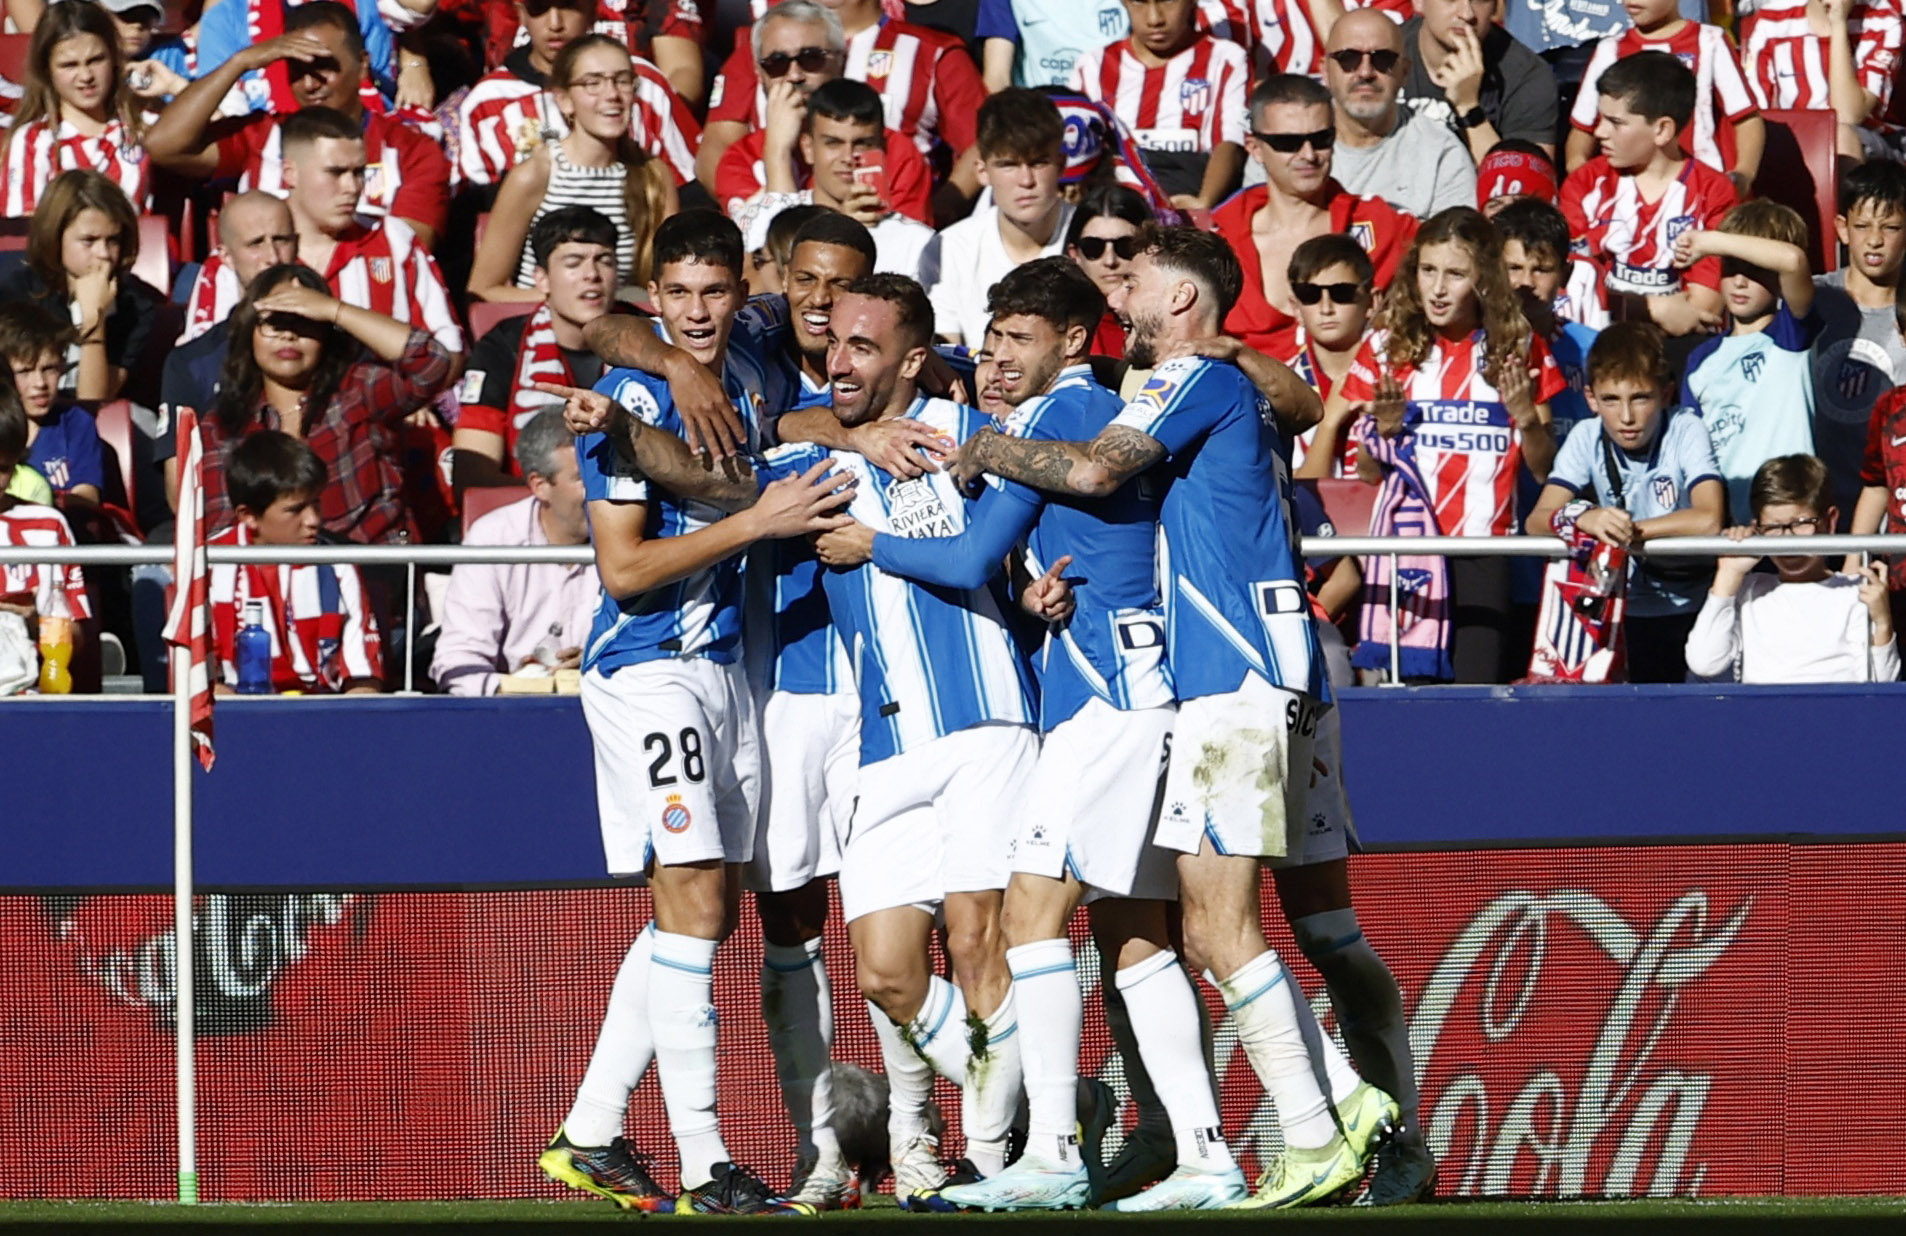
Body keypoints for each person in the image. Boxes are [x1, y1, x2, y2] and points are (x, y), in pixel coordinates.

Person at [559, 271, 1047, 1210]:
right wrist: (646, 403)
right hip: (774, 692)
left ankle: (945, 1142)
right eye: (814, 296)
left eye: (855, 325)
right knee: (768, 922)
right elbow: (611, 332)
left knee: (961, 933)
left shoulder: (955, 421)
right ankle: (824, 1151)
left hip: (913, 712)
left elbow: (1005, 514)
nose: (830, 329)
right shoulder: (769, 403)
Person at [948, 227, 1399, 1209]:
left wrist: (984, 448)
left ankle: (1323, 1124)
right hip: (1225, 681)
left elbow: (1093, 474)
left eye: (1139, 275)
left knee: (1227, 926)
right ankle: (1327, 1115)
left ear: (1184, 300)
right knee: (1204, 928)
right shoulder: (1195, 384)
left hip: (1239, 678)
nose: (1122, 287)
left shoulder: (1188, 375)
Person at [811, 258, 1237, 1212]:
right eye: (992, 340)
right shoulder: (1069, 413)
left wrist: (875, 542)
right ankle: (1201, 1151)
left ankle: (1048, 1147)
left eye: (1018, 341)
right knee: (1138, 940)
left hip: (1104, 701)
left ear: (1075, 341)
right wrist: (1037, 592)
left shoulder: (1045, 420)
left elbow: (968, 551)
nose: (998, 359)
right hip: (1111, 689)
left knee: (1041, 927)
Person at [536, 211, 848, 1216]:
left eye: (716, 292)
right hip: (651, 670)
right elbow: (624, 570)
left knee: (694, 914)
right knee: (698, 901)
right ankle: (708, 1163)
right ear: (656, 297)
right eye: (681, 296)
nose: (703, 313)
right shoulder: (628, 397)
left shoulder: (755, 345)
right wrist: (754, 516)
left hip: (725, 674)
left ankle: (589, 1130)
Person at [1337, 206, 1564, 684]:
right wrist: (1385, 430)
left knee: (1477, 701)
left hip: (1486, 552)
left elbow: (1545, 472)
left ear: (1483, 279)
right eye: (1428, 270)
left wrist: (1526, 419)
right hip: (1410, 551)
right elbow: (1366, 473)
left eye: (1455, 273)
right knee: (1415, 702)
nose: (1438, 288)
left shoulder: (1518, 345)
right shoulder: (1385, 346)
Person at [144, 1, 451, 245]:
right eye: (297, 69)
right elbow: (163, 146)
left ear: (363, 66)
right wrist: (241, 62)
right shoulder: (262, 135)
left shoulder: (413, 151)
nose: (309, 83)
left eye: (324, 67)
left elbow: (408, 255)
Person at [195, 263, 454, 542]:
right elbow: (222, 526)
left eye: (305, 322)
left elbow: (431, 362)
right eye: (275, 323)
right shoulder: (222, 423)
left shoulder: (358, 389)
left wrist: (335, 310)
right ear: (249, 333)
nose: (289, 335)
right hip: (275, 575)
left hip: (374, 567)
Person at [1528, 321, 1726, 682]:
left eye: (1640, 398)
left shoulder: (1685, 426)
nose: (1627, 417)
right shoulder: (1585, 435)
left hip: (1690, 605)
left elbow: (1709, 518)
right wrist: (1583, 518)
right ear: (1590, 399)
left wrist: (1628, 532)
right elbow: (1536, 520)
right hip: (1615, 611)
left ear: (1665, 395)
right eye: (1611, 400)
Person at [698, 0, 985, 207]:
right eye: (778, 64)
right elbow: (715, 150)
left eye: (812, 58)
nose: (794, 73)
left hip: (892, 214)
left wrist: (939, 212)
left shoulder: (930, 51)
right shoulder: (767, 50)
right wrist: (757, 215)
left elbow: (982, 142)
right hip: (775, 224)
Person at [1210, 73, 1417, 361]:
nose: (1308, 155)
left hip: (1356, 398)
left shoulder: (1381, 225)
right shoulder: (1217, 242)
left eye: (1321, 139)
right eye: (1288, 143)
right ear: (1255, 148)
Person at [467, 33, 677, 301]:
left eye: (622, 81)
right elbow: (483, 289)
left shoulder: (654, 174)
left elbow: (669, 281)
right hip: (545, 328)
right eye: (593, 83)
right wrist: (571, 301)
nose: (612, 94)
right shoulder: (537, 174)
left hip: (623, 329)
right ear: (565, 100)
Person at [1562, 51, 1734, 338]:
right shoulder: (1585, 184)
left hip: (1680, 347)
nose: (1599, 132)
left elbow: (1702, 310)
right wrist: (1654, 307)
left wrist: (1616, 300)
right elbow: (1570, 288)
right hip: (1600, 339)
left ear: (1662, 130)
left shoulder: (1713, 193)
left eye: (1615, 122)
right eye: (1600, 118)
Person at [1686, 453, 1899, 683]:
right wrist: (1728, 575)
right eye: (1773, 527)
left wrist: (1883, 622)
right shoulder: (1749, 590)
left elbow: (1883, 685)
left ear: (1830, 521)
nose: (1788, 540)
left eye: (1800, 524)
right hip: (1765, 715)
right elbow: (1704, 663)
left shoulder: (1854, 591)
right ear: (1757, 528)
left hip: (1837, 714)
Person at [431, 409, 596, 696]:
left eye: (603, 475)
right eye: (583, 478)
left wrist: (600, 663)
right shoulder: (493, 538)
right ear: (540, 486)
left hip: (608, 705)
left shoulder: (633, 534)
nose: (600, 489)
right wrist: (516, 690)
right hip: (508, 714)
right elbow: (458, 659)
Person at [456, 0, 699, 194]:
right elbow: (476, 217)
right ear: (521, 13)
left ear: (593, 10)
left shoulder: (645, 86)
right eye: (539, 8)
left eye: (568, 6)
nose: (555, 23)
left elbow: (689, 193)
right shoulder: (487, 102)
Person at [207, 430, 384, 694]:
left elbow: (364, 681)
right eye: (296, 509)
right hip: (235, 715)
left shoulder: (339, 563)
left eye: (316, 504)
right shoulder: (207, 564)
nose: (313, 520)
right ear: (248, 516)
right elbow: (199, 686)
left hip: (322, 715)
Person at [455, 207, 616, 492]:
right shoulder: (503, 346)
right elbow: (473, 473)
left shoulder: (651, 337)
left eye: (604, 261)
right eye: (573, 262)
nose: (591, 274)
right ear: (541, 279)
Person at [1676, 200, 1818, 524]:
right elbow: (1691, 448)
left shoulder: (1791, 334)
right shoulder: (1700, 359)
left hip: (1788, 526)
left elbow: (1793, 260)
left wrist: (1709, 241)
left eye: (1754, 270)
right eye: (1731, 267)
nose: (1740, 281)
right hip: (1727, 527)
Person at [725, 76, 937, 276]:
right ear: (808, 148)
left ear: (882, 149)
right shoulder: (763, 219)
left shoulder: (917, 244)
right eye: (833, 143)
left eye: (862, 144)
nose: (847, 157)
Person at [923, 87, 1075, 347]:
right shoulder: (948, 249)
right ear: (982, 171)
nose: (1026, 181)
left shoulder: (1095, 241)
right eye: (1008, 165)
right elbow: (946, 355)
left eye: (1038, 163)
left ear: (1061, 165)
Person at [1563, 0, 1762, 194]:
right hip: (1626, 195)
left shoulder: (1710, 41)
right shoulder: (1610, 49)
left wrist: (1743, 174)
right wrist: (1579, 170)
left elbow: (1746, 119)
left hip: (1701, 192)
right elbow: (1582, 129)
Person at [0, 168, 163, 405]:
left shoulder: (136, 306)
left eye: (113, 240)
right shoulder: (14, 293)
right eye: (89, 241)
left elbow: (93, 402)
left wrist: (93, 320)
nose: (104, 254)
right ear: (55, 238)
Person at [1066, 0, 1249, 210]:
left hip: (1188, 201)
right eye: (1139, 3)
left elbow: (1231, 143)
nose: (1155, 19)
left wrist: (1203, 203)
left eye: (1168, 1)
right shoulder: (1092, 66)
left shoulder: (1226, 59)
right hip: (1115, 211)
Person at [1813, 161, 1906, 520]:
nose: (1875, 239)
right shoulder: (1815, 297)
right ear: (1842, 228)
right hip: (1816, 506)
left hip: (1890, 509)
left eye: (1892, 227)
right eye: (1862, 226)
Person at [0, 1, 151, 217]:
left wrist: (174, 85)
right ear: (46, 70)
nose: (86, 76)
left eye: (96, 60)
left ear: (115, 59)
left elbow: (209, 137)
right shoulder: (32, 141)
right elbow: (22, 232)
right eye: (69, 65)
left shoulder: (142, 125)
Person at [1322, 8, 1475, 220]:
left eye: (1383, 59)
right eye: (1348, 58)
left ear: (1405, 72)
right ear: (1325, 72)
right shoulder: (1286, 144)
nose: (1365, 72)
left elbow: (1455, 247)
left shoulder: (1440, 153)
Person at [0, 386, 91, 675]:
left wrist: (37, 624)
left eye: (2, 467)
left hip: (31, 693)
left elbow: (75, 638)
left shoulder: (48, 526)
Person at [1741, 0, 1903, 162]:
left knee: (1840, 137)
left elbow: (1848, 115)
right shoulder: (1771, 20)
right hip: (1795, 135)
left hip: (1869, 142)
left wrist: (1838, 25)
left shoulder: (1882, 20)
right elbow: (1754, 112)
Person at [1397, 0, 1558, 164]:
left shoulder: (1528, 76)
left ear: (1496, 7)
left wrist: (1469, 108)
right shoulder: (1381, 57)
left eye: (1481, 1)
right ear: (1418, 2)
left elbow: (1526, 184)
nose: (1467, 14)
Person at [1287, 234, 1375, 480]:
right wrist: (1329, 423)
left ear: (1372, 301)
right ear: (1296, 307)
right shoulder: (1282, 387)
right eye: (1310, 294)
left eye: (1342, 293)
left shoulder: (1400, 375)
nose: (1326, 308)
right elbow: (1301, 493)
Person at [0, 303, 101, 515]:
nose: (40, 383)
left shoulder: (76, 423)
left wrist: (42, 500)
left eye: (49, 369)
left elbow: (87, 497)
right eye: (24, 371)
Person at [1063, 183, 1153, 357]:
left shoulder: (1176, 317)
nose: (1110, 260)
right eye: (1093, 247)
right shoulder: (1057, 323)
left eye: (1125, 246)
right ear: (1075, 254)